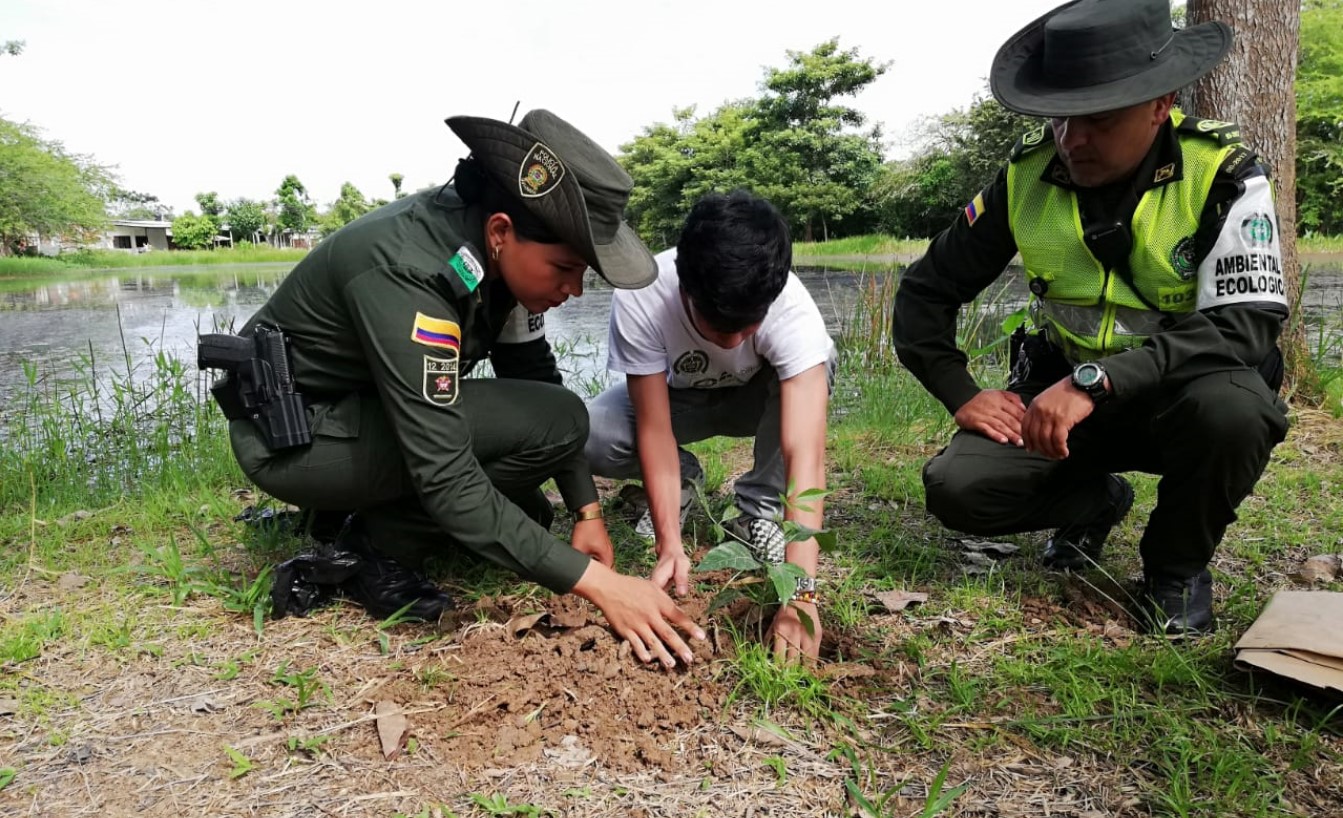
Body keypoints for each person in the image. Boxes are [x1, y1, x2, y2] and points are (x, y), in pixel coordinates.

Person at [215, 109, 705, 669]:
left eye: (584, 275)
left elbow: (541, 392)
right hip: (299, 441)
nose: (573, 289)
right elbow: (446, 474)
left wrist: (586, 511)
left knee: (529, 511)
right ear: (501, 232)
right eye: (565, 268)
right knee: (503, 481)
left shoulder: (490, 257)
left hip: (356, 414)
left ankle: (352, 512)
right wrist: (601, 585)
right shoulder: (410, 271)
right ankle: (375, 549)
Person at [891, 0, 1290, 636]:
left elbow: (1245, 326)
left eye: (1098, 119)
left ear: (1159, 105)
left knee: (1236, 414)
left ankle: (1176, 570)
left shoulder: (1222, 174)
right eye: (1060, 117)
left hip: (1182, 397)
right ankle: (1097, 502)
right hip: (1060, 402)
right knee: (958, 487)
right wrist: (959, 391)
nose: (1072, 140)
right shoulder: (1025, 177)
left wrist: (1098, 382)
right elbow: (925, 291)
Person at [585, 190, 834, 662]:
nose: (734, 341)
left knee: (822, 361)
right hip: (682, 403)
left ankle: (757, 512)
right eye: (718, 328)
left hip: (758, 401)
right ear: (685, 287)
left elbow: (806, 454)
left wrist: (802, 595)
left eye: (748, 327)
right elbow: (654, 428)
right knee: (593, 430)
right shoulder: (643, 293)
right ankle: (683, 482)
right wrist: (670, 545)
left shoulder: (792, 309)